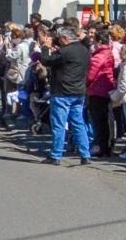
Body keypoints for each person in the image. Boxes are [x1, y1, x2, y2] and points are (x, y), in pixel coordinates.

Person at [39, 26, 92, 163]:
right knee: (78, 123)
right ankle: (85, 154)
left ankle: (56, 155)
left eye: (60, 38)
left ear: (65, 38)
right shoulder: (84, 50)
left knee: (59, 124)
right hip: (79, 91)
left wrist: (45, 47)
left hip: (62, 92)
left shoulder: (65, 51)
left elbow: (46, 60)